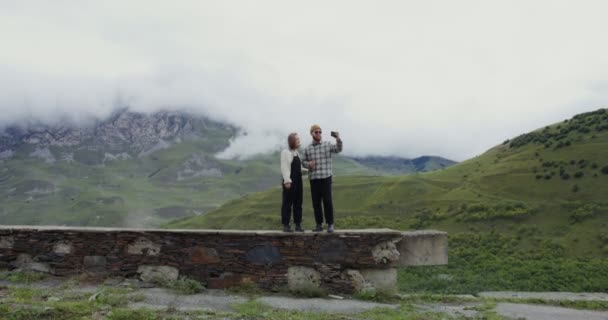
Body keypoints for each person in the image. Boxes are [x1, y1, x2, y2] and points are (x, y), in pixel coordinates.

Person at [302, 124, 343, 233]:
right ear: (312, 133)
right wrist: (308, 164)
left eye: (320, 132)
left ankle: (330, 224)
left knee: (327, 201)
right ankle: (319, 224)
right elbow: (303, 162)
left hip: (326, 177)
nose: (319, 134)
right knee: (316, 203)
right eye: (316, 132)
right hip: (314, 178)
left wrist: (338, 138)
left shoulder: (327, 144)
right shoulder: (307, 148)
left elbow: (338, 149)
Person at [280, 133, 307, 232]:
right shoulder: (286, 152)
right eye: (297, 140)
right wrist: (287, 181)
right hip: (290, 181)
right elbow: (285, 167)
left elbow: (299, 169)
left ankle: (298, 225)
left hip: (298, 181)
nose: (299, 141)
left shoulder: (296, 152)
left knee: (298, 203)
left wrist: (308, 170)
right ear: (292, 141)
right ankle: (286, 225)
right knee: (287, 203)